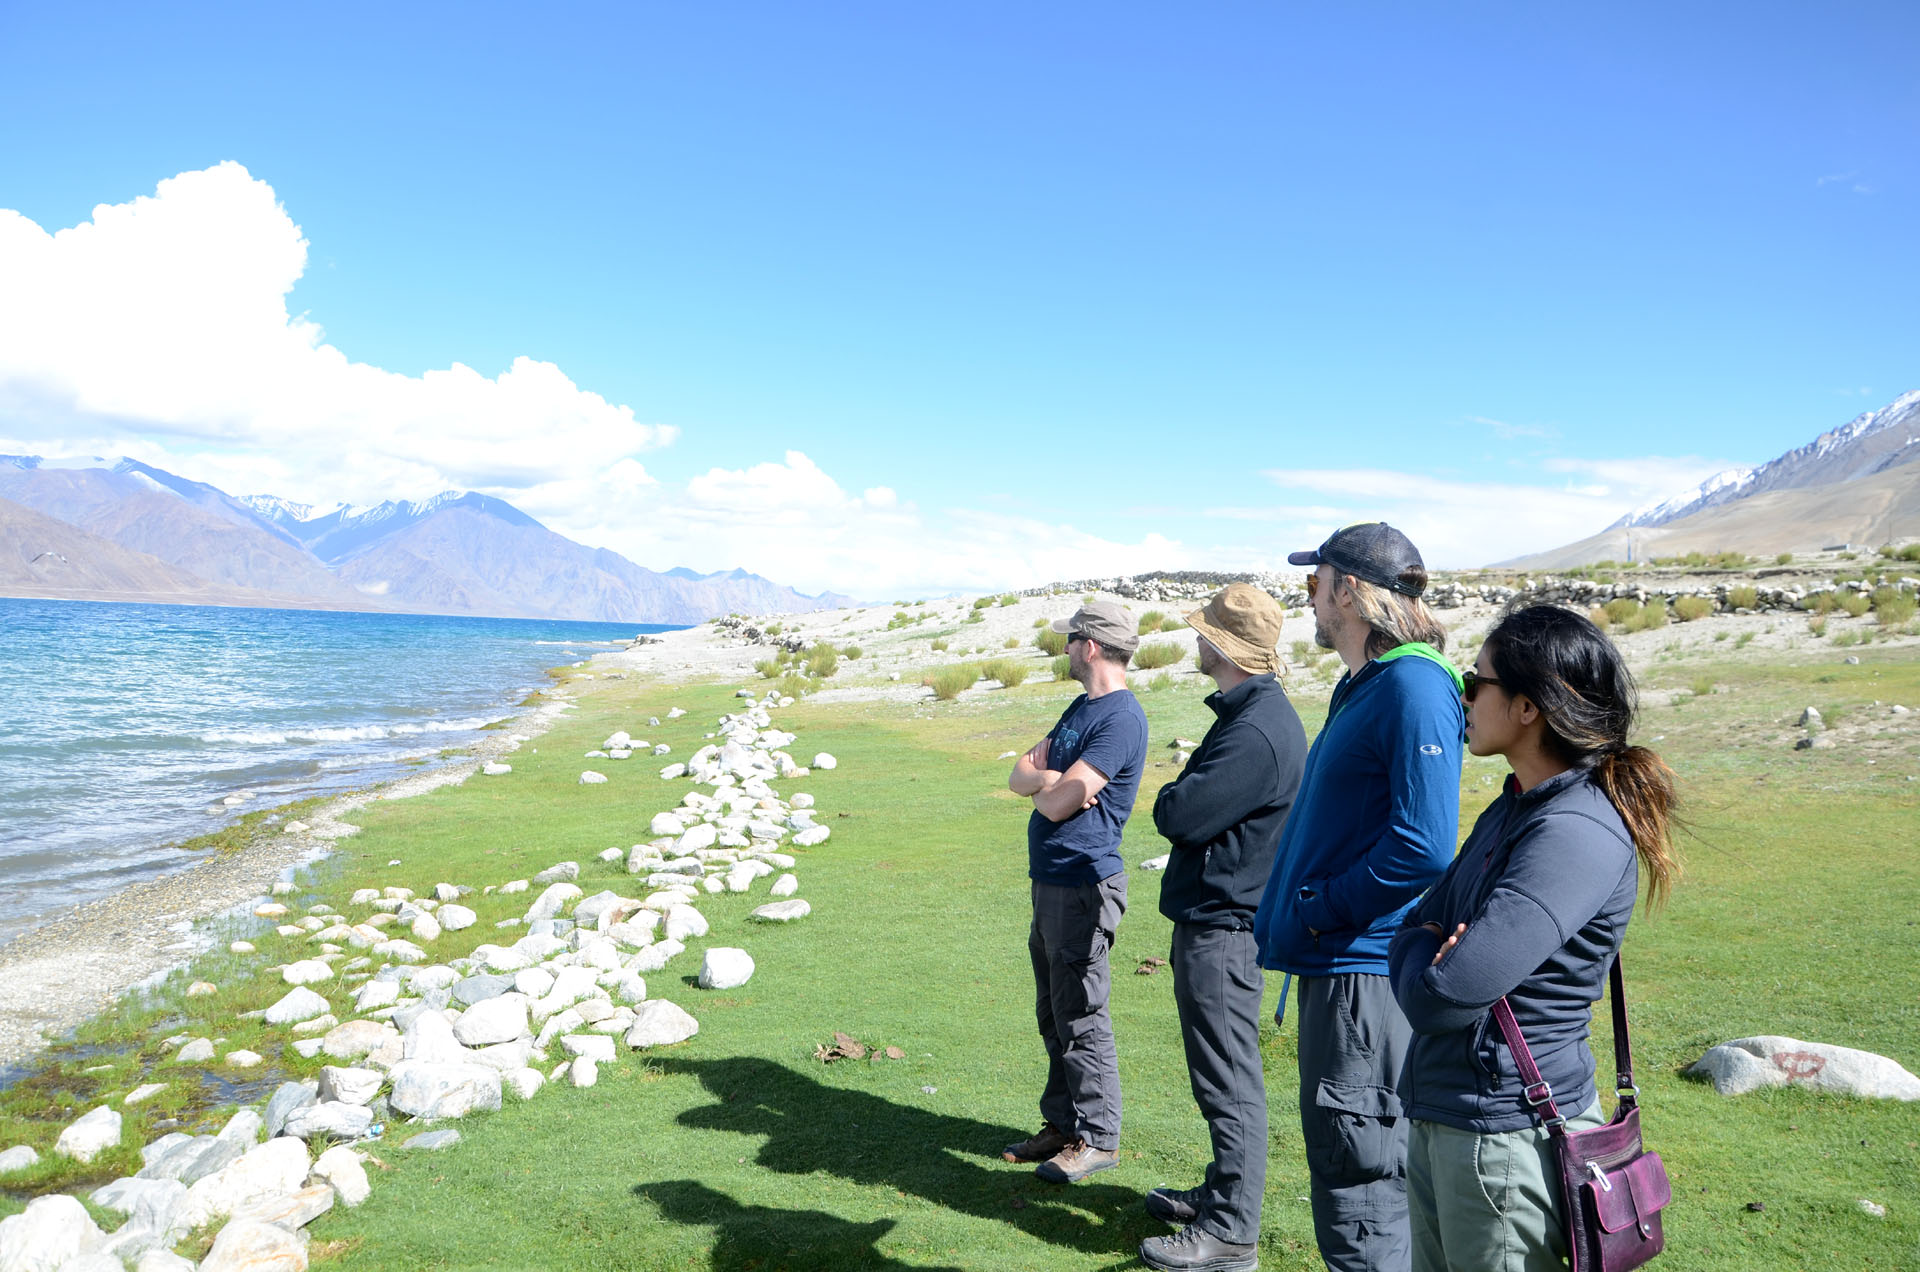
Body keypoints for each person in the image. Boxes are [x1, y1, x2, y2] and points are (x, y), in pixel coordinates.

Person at [1387, 605, 1680, 1272]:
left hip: (1505, 1138)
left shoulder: (1575, 830)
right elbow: (1416, 926)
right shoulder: (1517, 803)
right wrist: (1429, 939)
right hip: (1452, 1119)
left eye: (1476, 681)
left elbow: (1443, 994)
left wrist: (1434, 944)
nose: (1463, 696)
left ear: (1527, 707)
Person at [1252, 522, 1464, 1272]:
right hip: (1341, 971)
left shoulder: (1413, 684)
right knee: (1349, 1172)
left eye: (1315, 583)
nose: (1307, 599)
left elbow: (1425, 845)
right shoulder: (1367, 685)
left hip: (1363, 975)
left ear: (1348, 589)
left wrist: (1317, 908)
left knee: (1363, 1181)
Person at [1138, 584, 1307, 1272]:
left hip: (1226, 928)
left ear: (1223, 646)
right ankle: (1222, 1196)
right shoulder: (1250, 714)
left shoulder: (1258, 728)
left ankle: (1233, 1230)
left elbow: (1178, 813)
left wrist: (1178, 790)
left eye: (1204, 632)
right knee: (1219, 1075)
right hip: (1219, 921)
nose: (1195, 640)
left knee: (1229, 1079)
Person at [1004, 600, 1150, 1183]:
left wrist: (1055, 791)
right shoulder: (1080, 709)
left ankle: (1099, 1138)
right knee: (1054, 1010)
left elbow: (1064, 802)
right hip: (1052, 882)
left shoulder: (1119, 718)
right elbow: (1022, 775)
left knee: (1082, 1013)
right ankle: (1062, 1124)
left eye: (1071, 641)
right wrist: (1049, 782)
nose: (1064, 649)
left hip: (1085, 885)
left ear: (1089, 647)